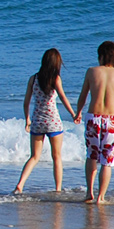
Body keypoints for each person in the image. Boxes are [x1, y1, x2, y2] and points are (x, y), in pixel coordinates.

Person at [73, 40, 114, 204]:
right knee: (107, 161)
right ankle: (101, 197)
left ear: (100, 56)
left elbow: (83, 96)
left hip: (93, 117)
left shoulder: (92, 71)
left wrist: (78, 113)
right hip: (112, 121)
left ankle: (89, 192)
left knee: (91, 156)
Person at [14, 48, 76, 194]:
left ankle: (20, 185)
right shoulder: (55, 79)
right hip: (53, 122)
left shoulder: (33, 79)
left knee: (34, 157)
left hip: (37, 121)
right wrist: (73, 114)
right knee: (56, 157)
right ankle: (58, 189)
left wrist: (27, 119)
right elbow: (62, 97)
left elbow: (26, 102)